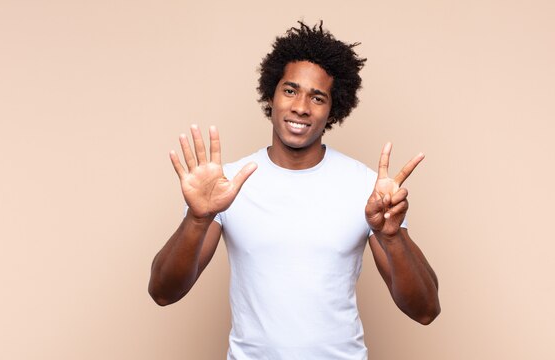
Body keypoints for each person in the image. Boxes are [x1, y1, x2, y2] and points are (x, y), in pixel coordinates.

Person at [149, 21, 440, 359]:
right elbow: (163, 293)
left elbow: (425, 310)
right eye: (290, 90)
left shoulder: (366, 188)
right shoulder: (227, 186)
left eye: (317, 97)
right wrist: (199, 219)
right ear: (270, 95)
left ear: (333, 109)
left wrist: (393, 237)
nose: (301, 107)